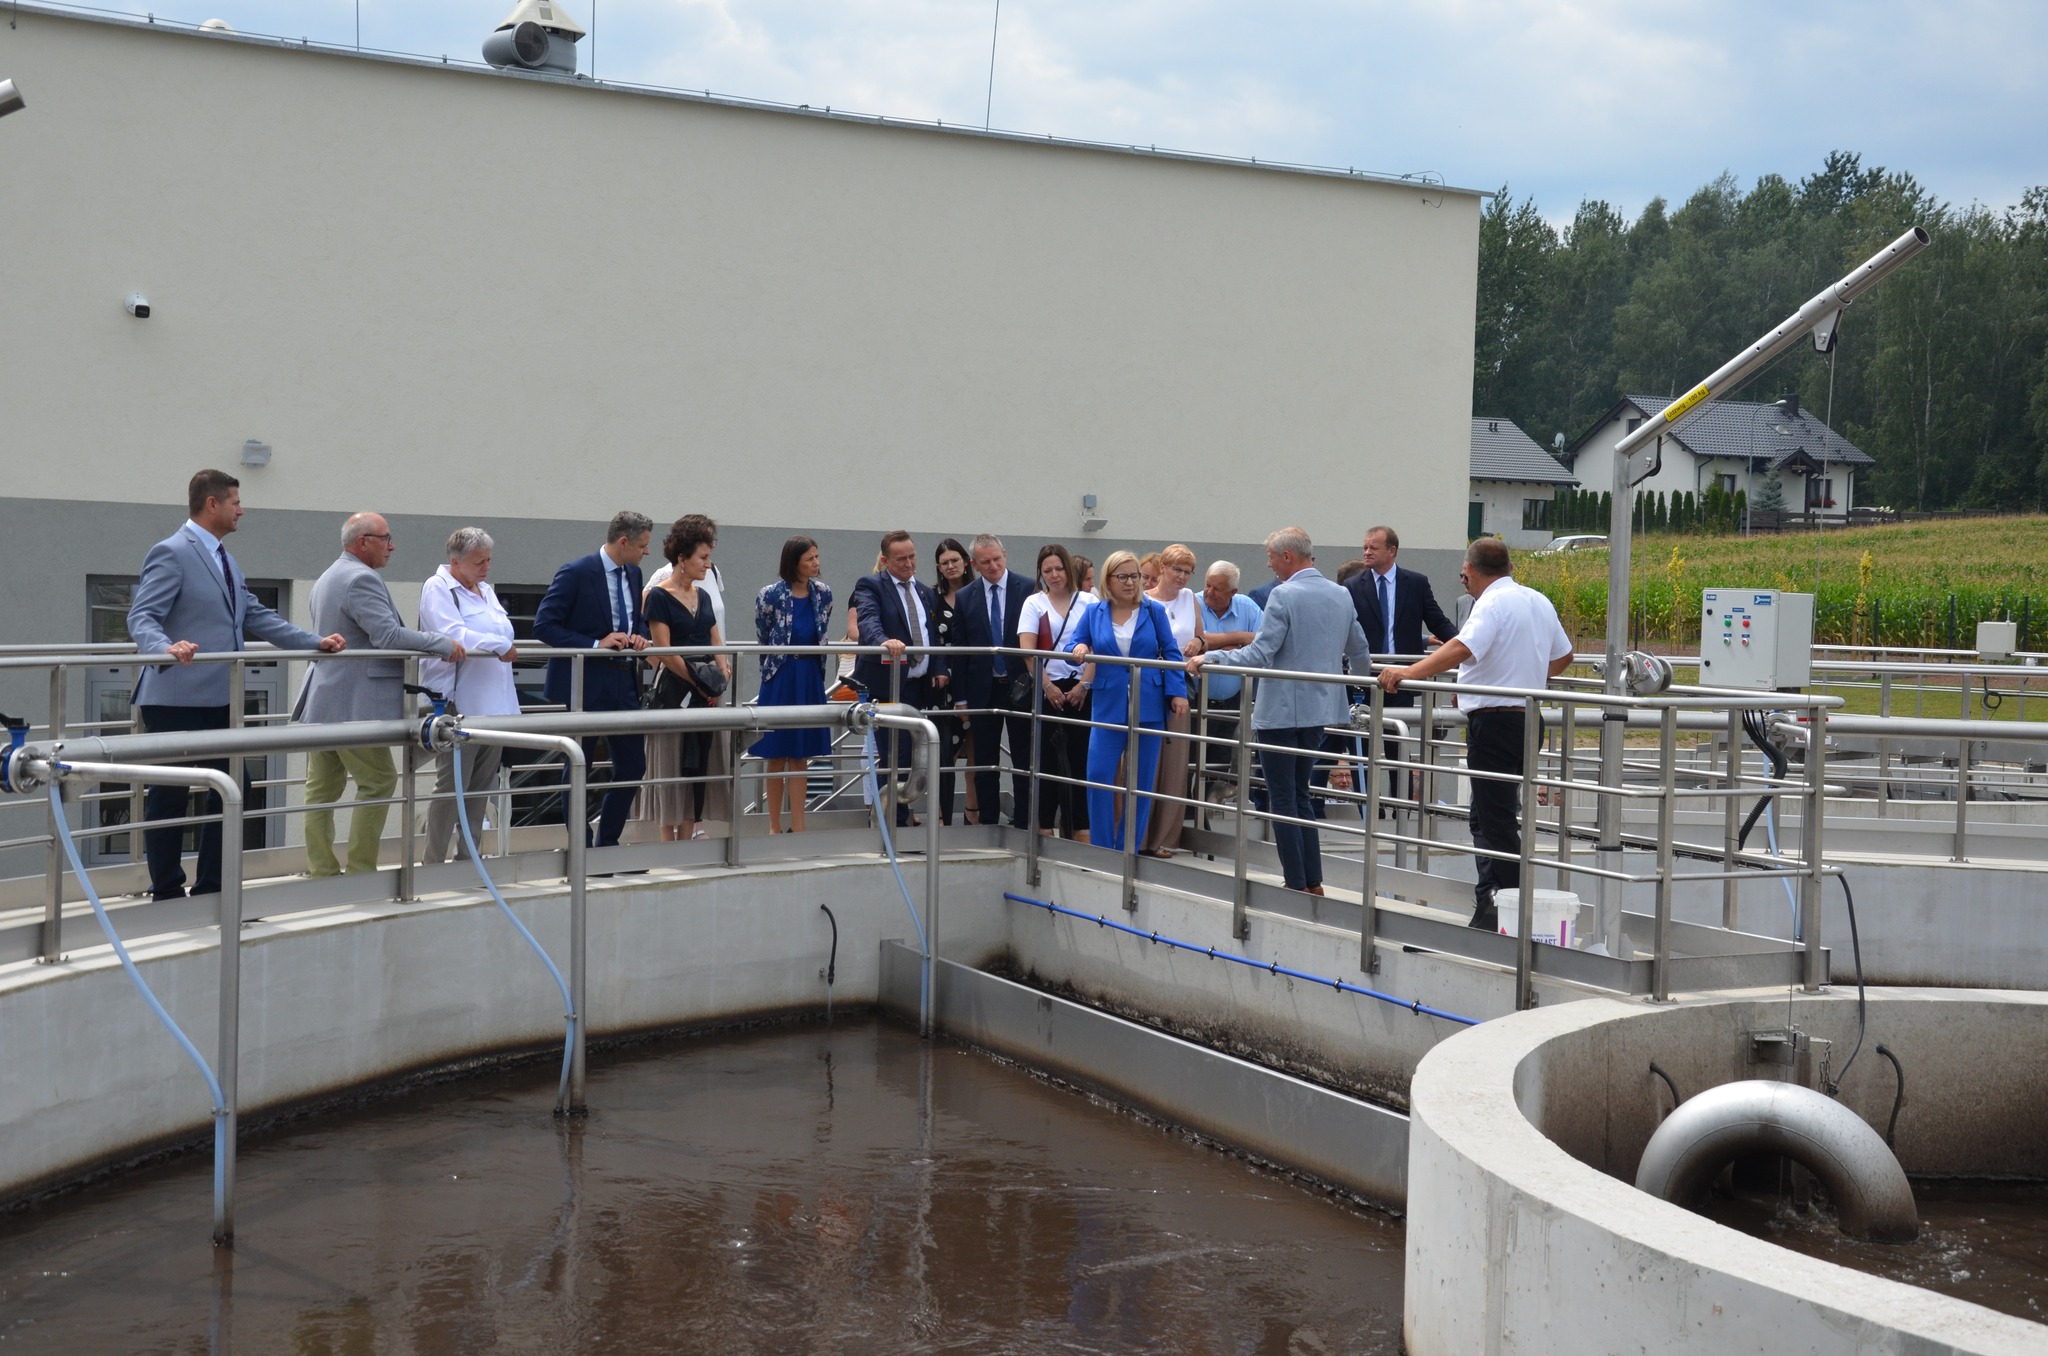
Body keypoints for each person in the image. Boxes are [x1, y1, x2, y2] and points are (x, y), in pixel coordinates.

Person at [126, 469, 345, 901]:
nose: (241, 510)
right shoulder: (171, 552)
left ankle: (213, 890)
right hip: (174, 696)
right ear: (212, 504)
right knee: (169, 797)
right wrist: (165, 647)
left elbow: (256, 615)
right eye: (235, 503)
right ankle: (166, 892)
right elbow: (141, 616)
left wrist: (314, 642)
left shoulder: (224, 558)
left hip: (219, 699)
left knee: (233, 791)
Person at [1378, 537, 1572, 930]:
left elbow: (1461, 647)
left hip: (1496, 722)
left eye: (1463, 575)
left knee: (1493, 820)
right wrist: (1527, 671)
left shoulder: (1492, 604)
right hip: (1528, 719)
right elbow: (1564, 656)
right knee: (1489, 816)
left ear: (1468, 572)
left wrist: (1408, 672)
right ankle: (1494, 902)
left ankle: (1506, 907)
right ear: (1510, 568)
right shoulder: (1537, 600)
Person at [1188, 528, 1369, 897]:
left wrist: (1213, 656)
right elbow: (1360, 650)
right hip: (1321, 709)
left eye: (1271, 557)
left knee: (1283, 797)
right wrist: (1361, 695)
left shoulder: (1282, 595)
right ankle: (1311, 881)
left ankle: (1297, 882)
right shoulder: (1340, 594)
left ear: (1288, 557)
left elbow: (1259, 654)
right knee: (1301, 794)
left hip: (1282, 711)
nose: (1269, 564)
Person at [296, 512, 461, 878]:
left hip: (324, 701)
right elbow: (386, 636)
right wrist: (442, 643)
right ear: (362, 542)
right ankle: (360, 872)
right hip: (354, 705)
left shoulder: (328, 576)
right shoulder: (360, 579)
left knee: (321, 790)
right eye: (385, 538)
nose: (392, 545)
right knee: (380, 781)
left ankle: (322, 871)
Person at [534, 511, 653, 848]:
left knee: (633, 765)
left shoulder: (634, 572)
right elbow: (544, 626)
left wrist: (640, 636)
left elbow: (637, 620)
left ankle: (607, 843)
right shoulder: (576, 572)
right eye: (643, 545)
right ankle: (582, 848)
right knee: (578, 765)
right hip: (584, 681)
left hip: (624, 681)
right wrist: (594, 644)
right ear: (624, 541)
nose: (647, 552)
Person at [1061, 549, 1188, 851]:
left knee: (1142, 783)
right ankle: (1104, 847)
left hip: (1149, 701)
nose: (1131, 582)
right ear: (1109, 579)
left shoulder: (1152, 610)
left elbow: (1170, 652)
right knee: (1099, 775)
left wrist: (1177, 692)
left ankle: (1128, 846)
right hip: (1108, 702)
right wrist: (1079, 646)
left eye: (1135, 576)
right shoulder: (1095, 611)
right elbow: (1072, 643)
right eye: (1123, 577)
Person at [417, 527, 520, 864]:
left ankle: (470, 860)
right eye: (479, 562)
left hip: (495, 705)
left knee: (480, 788)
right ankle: (433, 863)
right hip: (458, 702)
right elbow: (453, 635)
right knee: (451, 787)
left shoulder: (485, 590)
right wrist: (499, 645)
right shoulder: (438, 588)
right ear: (455, 562)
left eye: (489, 560)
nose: (486, 567)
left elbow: (501, 631)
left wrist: (500, 643)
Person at [1347, 523, 1460, 804]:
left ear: (1392, 550)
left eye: (1373, 547)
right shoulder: (1351, 586)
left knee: (1398, 747)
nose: (1367, 552)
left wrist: (1467, 645)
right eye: (1365, 547)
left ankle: (1401, 811)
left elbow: (1437, 621)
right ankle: (1371, 811)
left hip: (1402, 679)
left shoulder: (1415, 583)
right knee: (1363, 750)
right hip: (1366, 680)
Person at [852, 530, 950, 826]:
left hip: (919, 686)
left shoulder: (924, 591)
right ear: (884, 560)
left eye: (912, 556)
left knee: (919, 754)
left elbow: (932, 635)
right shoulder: (871, 585)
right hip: (888, 684)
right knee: (894, 755)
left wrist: (939, 668)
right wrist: (885, 641)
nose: (909, 563)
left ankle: (903, 812)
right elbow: (867, 620)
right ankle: (890, 821)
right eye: (901, 558)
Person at [643, 516, 729, 843]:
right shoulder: (659, 597)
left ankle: (689, 841)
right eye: (703, 558)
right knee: (671, 766)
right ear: (682, 558)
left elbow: (715, 640)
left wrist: (720, 674)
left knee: (699, 765)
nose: (708, 565)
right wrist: (699, 682)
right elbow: (664, 651)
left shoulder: (703, 596)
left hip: (705, 688)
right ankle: (669, 846)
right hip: (674, 687)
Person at [751, 536, 834, 834]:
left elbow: (822, 628)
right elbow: (763, 633)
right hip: (780, 676)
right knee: (776, 755)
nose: (816, 563)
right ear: (793, 562)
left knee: (801, 756)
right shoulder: (770, 595)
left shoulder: (823, 593)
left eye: (817, 556)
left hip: (810, 675)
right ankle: (774, 826)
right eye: (809, 558)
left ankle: (798, 826)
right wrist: (773, 668)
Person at [956, 534, 1039, 830]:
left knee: (1024, 758)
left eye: (997, 559)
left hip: (1021, 686)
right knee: (985, 763)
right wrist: (961, 698)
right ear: (973, 564)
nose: (992, 566)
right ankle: (989, 822)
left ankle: (1025, 821)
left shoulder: (1029, 588)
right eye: (985, 562)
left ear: (1005, 554)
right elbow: (960, 651)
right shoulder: (966, 596)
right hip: (982, 689)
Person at [1017, 544, 1091, 842]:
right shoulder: (1034, 603)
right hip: (1048, 688)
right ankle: (1045, 826)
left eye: (1059, 568)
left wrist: (1084, 684)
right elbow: (1028, 650)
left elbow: (1100, 645)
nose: (1054, 575)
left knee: (1080, 760)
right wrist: (1046, 685)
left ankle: (1080, 827)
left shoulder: (1088, 600)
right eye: (1047, 570)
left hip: (1082, 687)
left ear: (1068, 569)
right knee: (1047, 760)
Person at [1139, 544, 1206, 856]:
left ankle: (1164, 838)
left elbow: (1201, 637)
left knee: (1176, 764)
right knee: (1144, 763)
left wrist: (1196, 641)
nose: (1182, 577)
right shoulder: (1143, 600)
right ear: (1162, 567)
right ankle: (1138, 834)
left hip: (1180, 687)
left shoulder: (1190, 598)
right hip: (1148, 686)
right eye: (1177, 569)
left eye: (1188, 572)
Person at [1193, 560, 1262, 791]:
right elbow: (1191, 645)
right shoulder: (1192, 602)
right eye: (1207, 585)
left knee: (1218, 771)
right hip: (1195, 700)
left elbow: (1263, 643)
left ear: (1233, 592)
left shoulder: (1247, 607)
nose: (1209, 593)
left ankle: (1207, 821)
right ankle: (1186, 821)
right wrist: (1241, 638)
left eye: (1217, 589)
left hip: (1231, 704)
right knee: (1189, 766)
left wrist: (1211, 644)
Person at [927, 538, 976, 826]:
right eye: (944, 562)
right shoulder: (932, 598)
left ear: (966, 561)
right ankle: (942, 816)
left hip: (973, 682)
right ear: (939, 568)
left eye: (955, 560)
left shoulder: (979, 594)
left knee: (976, 752)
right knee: (947, 754)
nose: (950, 566)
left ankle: (973, 812)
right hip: (944, 686)